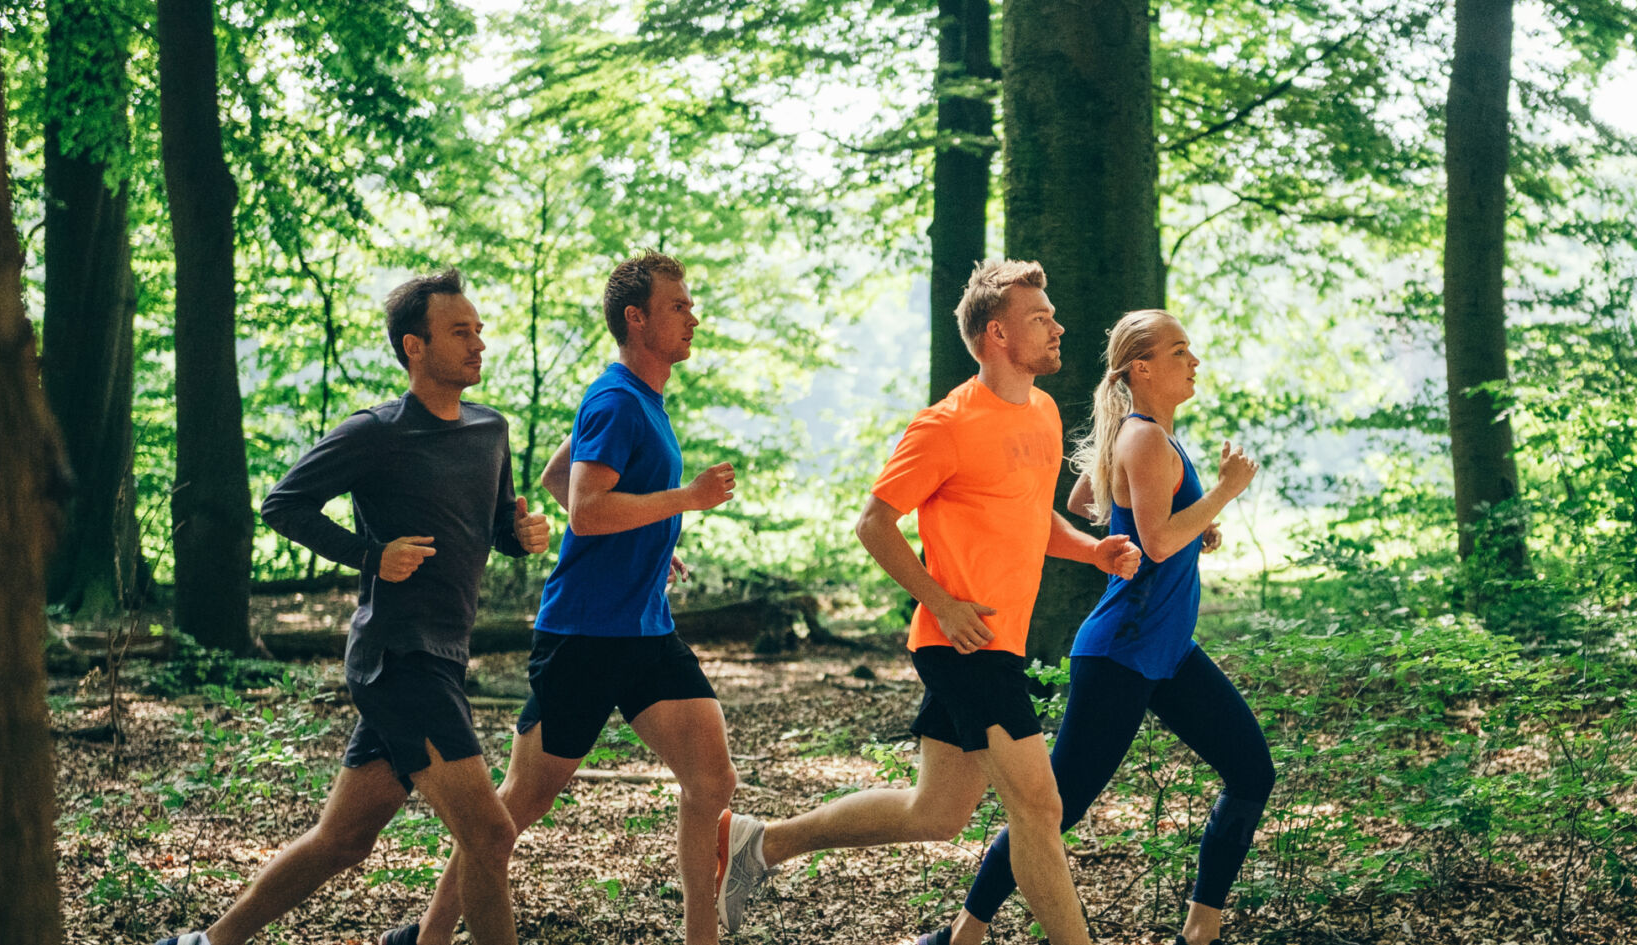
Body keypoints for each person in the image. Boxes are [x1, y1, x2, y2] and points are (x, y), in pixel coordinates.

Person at [714, 260, 1141, 945]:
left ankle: (759, 844)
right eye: (1041, 318)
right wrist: (942, 603)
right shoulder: (946, 424)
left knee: (935, 811)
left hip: (995, 641)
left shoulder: (1042, 412)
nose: (1059, 327)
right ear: (997, 334)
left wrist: (1092, 551)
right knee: (1039, 803)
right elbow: (873, 523)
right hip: (962, 645)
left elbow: (1031, 518)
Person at [155, 269, 551, 945]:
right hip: (398, 656)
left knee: (342, 840)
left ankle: (208, 942)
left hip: (443, 658)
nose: (479, 343)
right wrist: (372, 553)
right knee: (488, 831)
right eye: (461, 332)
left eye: (479, 329)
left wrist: (519, 536)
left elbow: (489, 527)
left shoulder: (491, 429)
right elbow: (284, 502)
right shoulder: (378, 432)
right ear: (414, 346)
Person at [384, 251, 739, 945]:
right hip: (584, 636)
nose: (692, 317)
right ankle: (425, 937)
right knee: (518, 804)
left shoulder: (637, 398)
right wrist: (686, 500)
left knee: (712, 778)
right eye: (679, 306)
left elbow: (558, 474)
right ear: (637, 320)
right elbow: (583, 509)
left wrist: (653, 540)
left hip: (644, 633)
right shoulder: (615, 399)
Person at [915, 308, 1275, 945]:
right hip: (1122, 652)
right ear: (1141, 367)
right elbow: (1157, 543)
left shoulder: (1146, 438)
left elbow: (1094, 505)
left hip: (1166, 651)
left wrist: (1187, 522)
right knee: (1057, 807)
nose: (1194, 361)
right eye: (1179, 351)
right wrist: (1220, 494)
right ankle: (959, 936)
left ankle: (1200, 933)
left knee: (1251, 772)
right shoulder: (1142, 437)